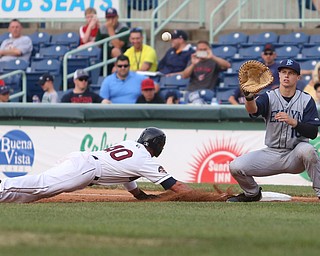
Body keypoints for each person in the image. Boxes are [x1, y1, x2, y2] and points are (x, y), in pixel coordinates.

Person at [0, 127, 192, 203]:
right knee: (42, 184)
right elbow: (175, 186)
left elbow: (127, 174)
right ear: (158, 145)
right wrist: (208, 197)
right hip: (86, 169)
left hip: (83, 162)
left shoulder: (131, 146)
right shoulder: (145, 160)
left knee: (38, 193)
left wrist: (139, 195)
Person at [227, 59, 320, 202]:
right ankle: (252, 193)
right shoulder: (269, 97)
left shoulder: (306, 100)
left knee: (308, 150)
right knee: (235, 166)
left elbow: (313, 132)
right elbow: (253, 110)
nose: (286, 76)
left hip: (295, 155)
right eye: (283, 72)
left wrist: (294, 122)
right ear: (279, 75)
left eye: (291, 73)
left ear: (298, 77)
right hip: (272, 153)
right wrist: (249, 97)